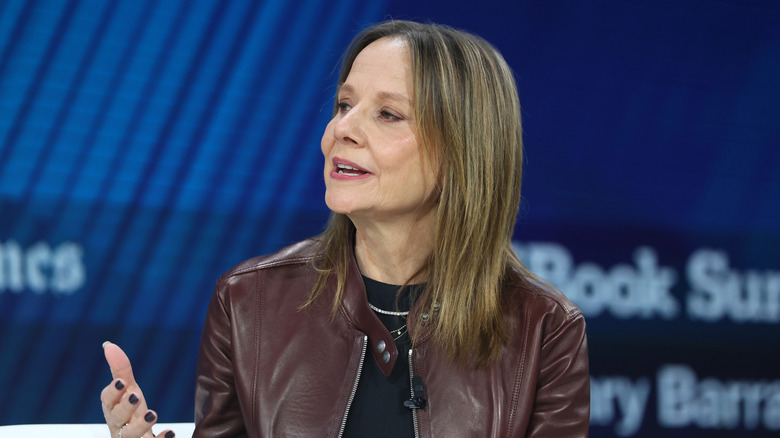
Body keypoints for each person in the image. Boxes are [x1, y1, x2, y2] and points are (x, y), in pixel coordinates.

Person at [100, 20, 589, 438]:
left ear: (464, 152)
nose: (341, 131)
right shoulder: (248, 302)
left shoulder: (544, 330)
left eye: (388, 114)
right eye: (343, 106)